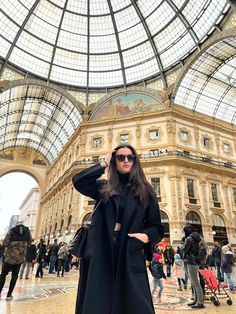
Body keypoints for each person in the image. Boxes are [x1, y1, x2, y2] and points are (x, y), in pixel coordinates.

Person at [72, 144, 164, 314]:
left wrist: (144, 237)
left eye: (130, 157)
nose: (126, 160)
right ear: (115, 161)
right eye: (121, 157)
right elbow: (78, 181)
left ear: (135, 161)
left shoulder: (146, 191)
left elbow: (157, 228)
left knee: (133, 304)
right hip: (100, 251)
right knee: (97, 302)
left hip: (129, 251)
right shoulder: (103, 187)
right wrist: (103, 163)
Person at [0, 222, 32, 300]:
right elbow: (30, 243)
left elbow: (5, 243)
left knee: (3, 275)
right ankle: (9, 295)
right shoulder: (28, 232)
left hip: (10, 258)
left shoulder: (11, 231)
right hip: (20, 258)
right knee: (14, 276)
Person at [181, 224, 205, 309]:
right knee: (195, 282)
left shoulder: (188, 239)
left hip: (191, 262)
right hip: (196, 261)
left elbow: (184, 249)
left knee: (195, 283)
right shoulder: (198, 238)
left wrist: (182, 245)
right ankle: (196, 300)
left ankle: (200, 302)